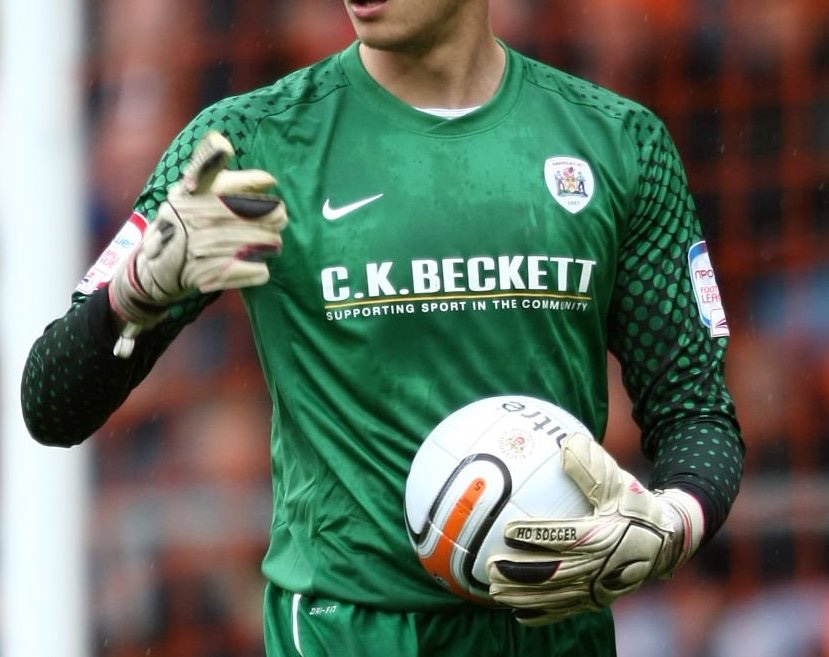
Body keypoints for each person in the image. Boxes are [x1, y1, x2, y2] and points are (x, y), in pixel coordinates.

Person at [21, 0, 745, 655]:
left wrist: (670, 520)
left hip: (552, 631)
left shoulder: (617, 143)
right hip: (344, 633)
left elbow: (697, 413)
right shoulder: (249, 144)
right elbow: (50, 403)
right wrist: (135, 291)